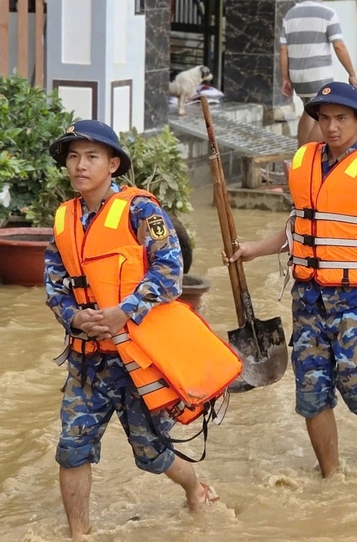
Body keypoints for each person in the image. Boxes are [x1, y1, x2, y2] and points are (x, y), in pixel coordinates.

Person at [229, 82, 357, 478]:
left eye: (341, 118)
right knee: (310, 394)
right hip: (307, 300)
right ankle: (332, 478)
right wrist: (254, 249)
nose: (332, 127)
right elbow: (300, 228)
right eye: (324, 118)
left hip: (356, 300)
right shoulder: (305, 161)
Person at [44, 120, 216, 538]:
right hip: (86, 363)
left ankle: (195, 486)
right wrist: (73, 316)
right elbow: (53, 281)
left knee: (152, 454)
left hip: (137, 360)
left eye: (91, 156)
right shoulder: (65, 217)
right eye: (73, 156)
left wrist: (126, 310)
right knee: (71, 449)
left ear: (113, 163)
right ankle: (79, 534)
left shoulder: (141, 210)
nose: (80, 165)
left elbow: (170, 272)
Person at [280, 0, 357, 146]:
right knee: (321, 117)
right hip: (318, 74)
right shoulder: (328, 14)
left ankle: (301, 153)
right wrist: (351, 73)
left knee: (308, 111)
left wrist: (285, 78)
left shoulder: (290, 15)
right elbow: (338, 45)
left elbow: (283, 49)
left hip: (297, 76)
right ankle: (310, 158)